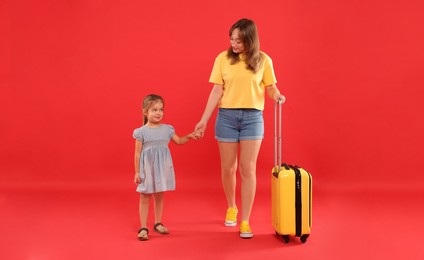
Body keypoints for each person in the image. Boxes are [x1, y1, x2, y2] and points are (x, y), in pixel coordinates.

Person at [194, 18, 286, 239]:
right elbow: (216, 91)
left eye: (239, 40)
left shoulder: (263, 60)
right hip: (226, 117)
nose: (233, 43)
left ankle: (245, 220)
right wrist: (204, 120)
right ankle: (232, 206)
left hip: (253, 117)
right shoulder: (223, 59)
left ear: (250, 40)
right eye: (231, 38)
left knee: (248, 169)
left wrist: (278, 96)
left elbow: (271, 87)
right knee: (228, 169)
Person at [133, 94, 196, 241]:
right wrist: (137, 172)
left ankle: (157, 222)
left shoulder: (167, 129)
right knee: (145, 196)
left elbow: (179, 141)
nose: (158, 113)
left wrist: (190, 136)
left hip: (161, 168)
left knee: (159, 195)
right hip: (147, 169)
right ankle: (143, 227)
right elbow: (137, 154)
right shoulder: (141, 132)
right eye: (154, 110)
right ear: (145, 112)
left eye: (161, 109)